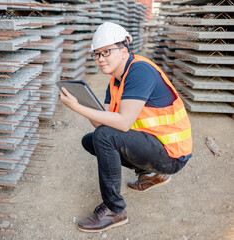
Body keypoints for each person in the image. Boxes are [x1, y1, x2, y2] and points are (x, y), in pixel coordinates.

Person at [59, 22, 193, 233]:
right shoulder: (114, 82)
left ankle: (115, 210)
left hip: (172, 154)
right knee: (92, 139)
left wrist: (78, 108)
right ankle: (150, 174)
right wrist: (82, 104)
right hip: (153, 144)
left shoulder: (140, 71)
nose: (100, 59)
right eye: (96, 54)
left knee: (104, 136)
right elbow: (99, 122)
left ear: (123, 51)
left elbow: (122, 123)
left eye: (106, 52)